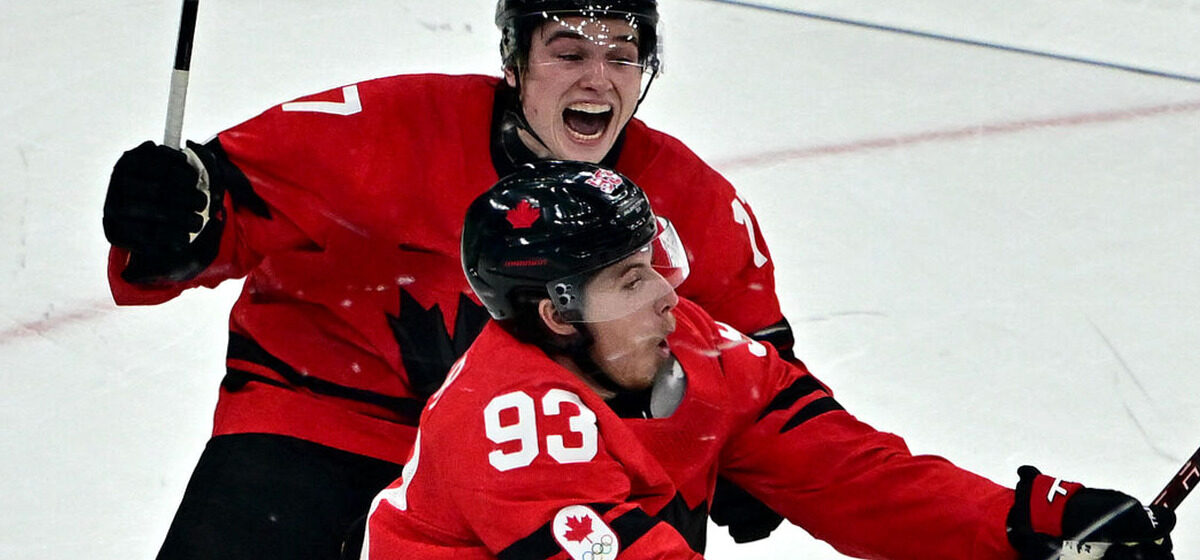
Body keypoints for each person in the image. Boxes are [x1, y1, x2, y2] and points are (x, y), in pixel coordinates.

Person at [102, 1, 791, 558]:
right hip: (328, 420)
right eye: (569, 52)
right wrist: (169, 217)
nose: (598, 78)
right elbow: (221, 207)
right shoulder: (386, 127)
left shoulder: (694, 200)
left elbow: (759, 364)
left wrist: (755, 454)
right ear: (514, 62)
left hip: (541, 452)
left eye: (621, 53)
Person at [363, 160, 1177, 560]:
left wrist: (1023, 523)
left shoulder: (689, 348)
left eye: (652, 263)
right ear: (558, 315)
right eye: (630, 279)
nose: (668, 296)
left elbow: (851, 478)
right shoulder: (514, 428)